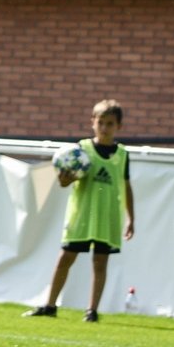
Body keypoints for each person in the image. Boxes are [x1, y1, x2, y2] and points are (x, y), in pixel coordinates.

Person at [25, 99, 136, 323]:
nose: (104, 128)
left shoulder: (122, 155)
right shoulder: (80, 151)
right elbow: (66, 183)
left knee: (100, 262)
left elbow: (126, 185)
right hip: (82, 215)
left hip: (107, 217)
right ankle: (50, 305)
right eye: (101, 122)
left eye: (110, 124)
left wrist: (131, 218)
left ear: (119, 127)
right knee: (65, 258)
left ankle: (92, 310)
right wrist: (64, 179)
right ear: (92, 123)